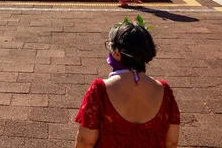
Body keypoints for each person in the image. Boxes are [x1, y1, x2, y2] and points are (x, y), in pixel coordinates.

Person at [74, 17, 180, 148]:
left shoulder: (100, 90)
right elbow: (172, 141)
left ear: (117, 54)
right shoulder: (164, 90)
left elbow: (86, 140)